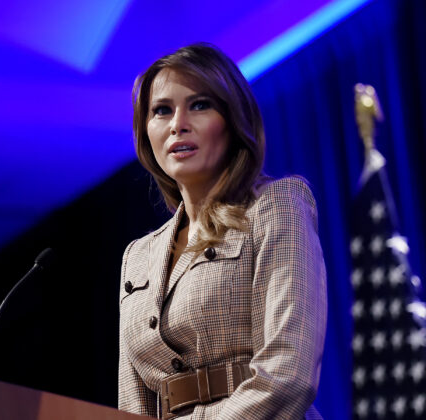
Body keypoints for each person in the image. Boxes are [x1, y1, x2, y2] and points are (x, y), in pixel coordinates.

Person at [118, 43, 327, 420]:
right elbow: (132, 405)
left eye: (199, 105)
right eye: (161, 111)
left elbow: (288, 374)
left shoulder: (276, 206)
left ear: (233, 120)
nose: (178, 123)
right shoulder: (137, 257)